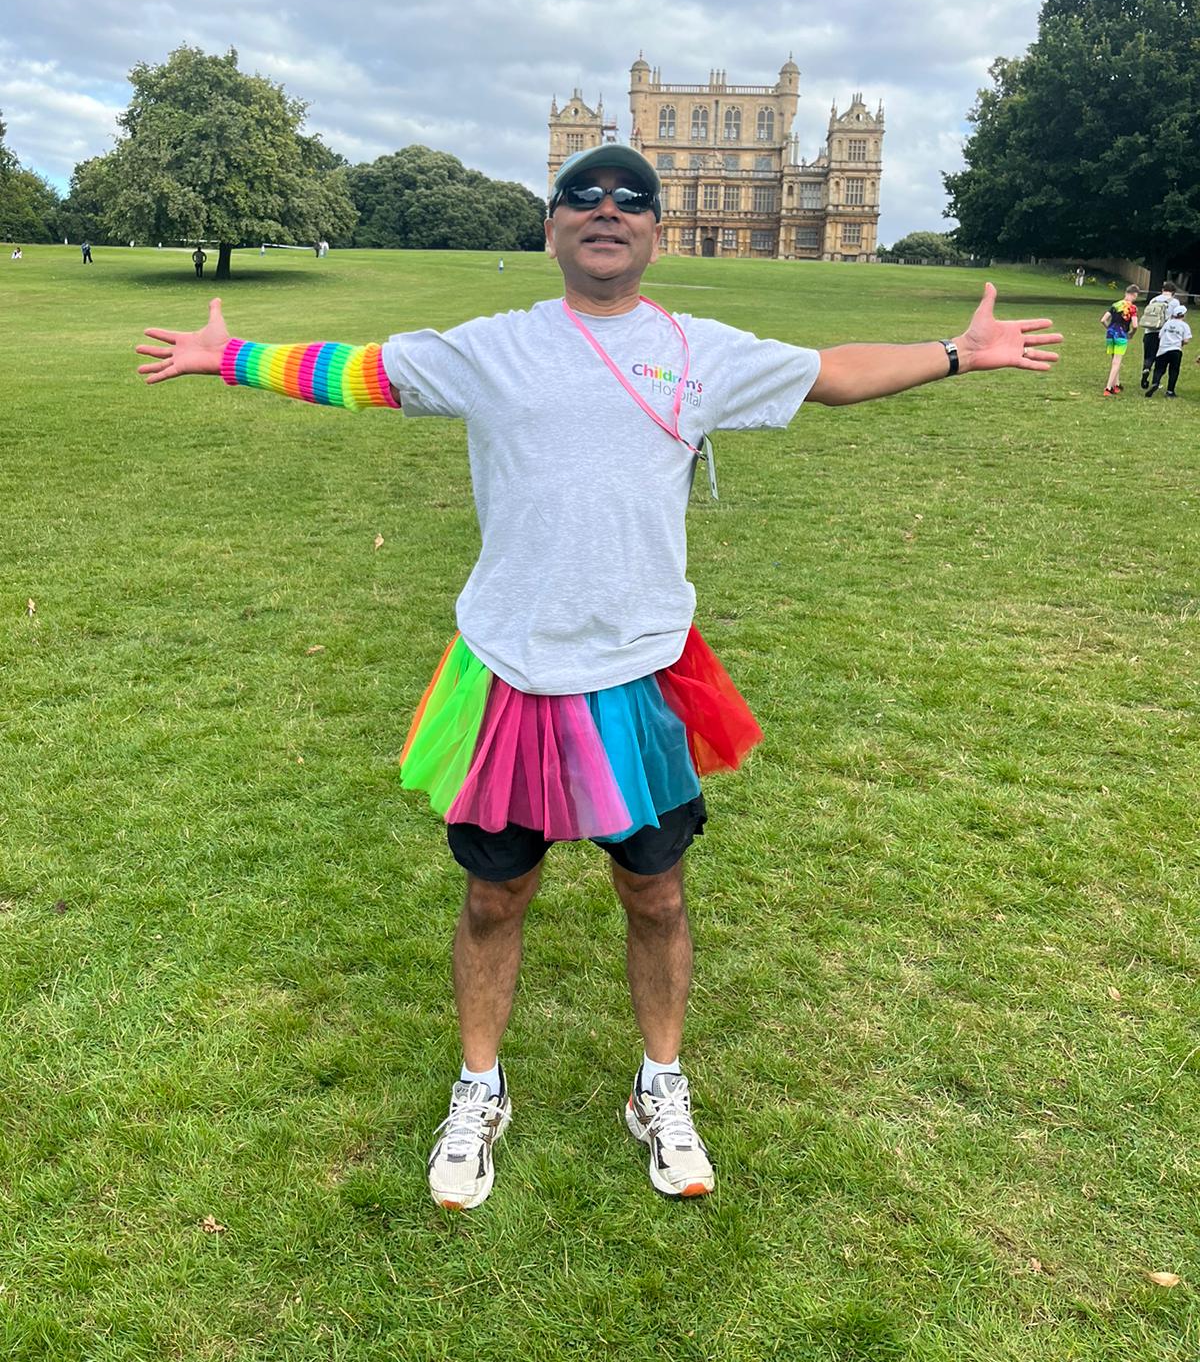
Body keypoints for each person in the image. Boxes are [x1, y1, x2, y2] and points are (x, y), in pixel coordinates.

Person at [136, 145, 1061, 1212]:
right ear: (553, 228)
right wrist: (231, 356)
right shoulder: (493, 349)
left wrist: (957, 350)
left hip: (642, 675)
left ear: (657, 231)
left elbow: (831, 373)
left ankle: (657, 1083)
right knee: (495, 897)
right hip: (512, 671)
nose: (606, 211)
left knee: (657, 895)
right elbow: (356, 372)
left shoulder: (696, 352)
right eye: (583, 198)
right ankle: (478, 1088)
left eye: (631, 200)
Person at [1145, 305, 1191, 397]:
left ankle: (1155, 383)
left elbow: (1160, 335)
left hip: (1162, 350)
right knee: (1174, 370)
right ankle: (1170, 391)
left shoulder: (1167, 323)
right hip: (1176, 350)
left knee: (1159, 369)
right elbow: (1186, 340)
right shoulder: (1184, 325)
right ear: (1183, 315)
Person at [1100, 287, 1138, 395]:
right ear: (1134, 295)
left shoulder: (1115, 305)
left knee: (1114, 360)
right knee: (1117, 362)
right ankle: (1108, 388)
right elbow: (1135, 325)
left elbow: (1103, 320)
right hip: (1121, 335)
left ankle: (1116, 384)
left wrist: (1108, 328)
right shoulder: (1133, 308)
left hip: (1110, 334)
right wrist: (1131, 333)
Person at [1139, 282, 1176, 388]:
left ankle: (1146, 370)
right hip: (1164, 334)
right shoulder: (1174, 302)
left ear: (1162, 290)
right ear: (1173, 292)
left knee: (1148, 356)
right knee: (1160, 358)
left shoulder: (1153, 300)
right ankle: (1156, 381)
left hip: (1149, 331)